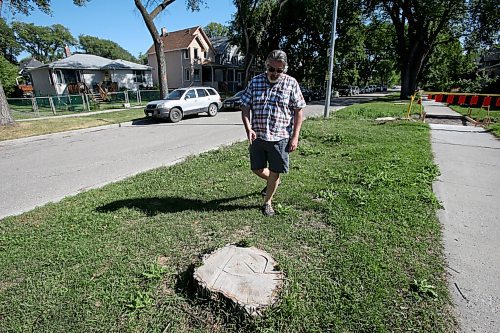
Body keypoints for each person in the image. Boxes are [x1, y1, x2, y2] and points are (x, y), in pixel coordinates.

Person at [240, 50, 306, 216]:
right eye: (271, 69)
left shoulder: (291, 83)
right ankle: (273, 181)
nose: (274, 73)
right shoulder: (255, 82)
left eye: (279, 70)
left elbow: (299, 111)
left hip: (280, 137)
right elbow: (245, 106)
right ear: (266, 65)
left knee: (275, 170)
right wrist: (248, 128)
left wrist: (295, 137)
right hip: (259, 136)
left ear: (284, 69)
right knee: (257, 168)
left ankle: (267, 202)